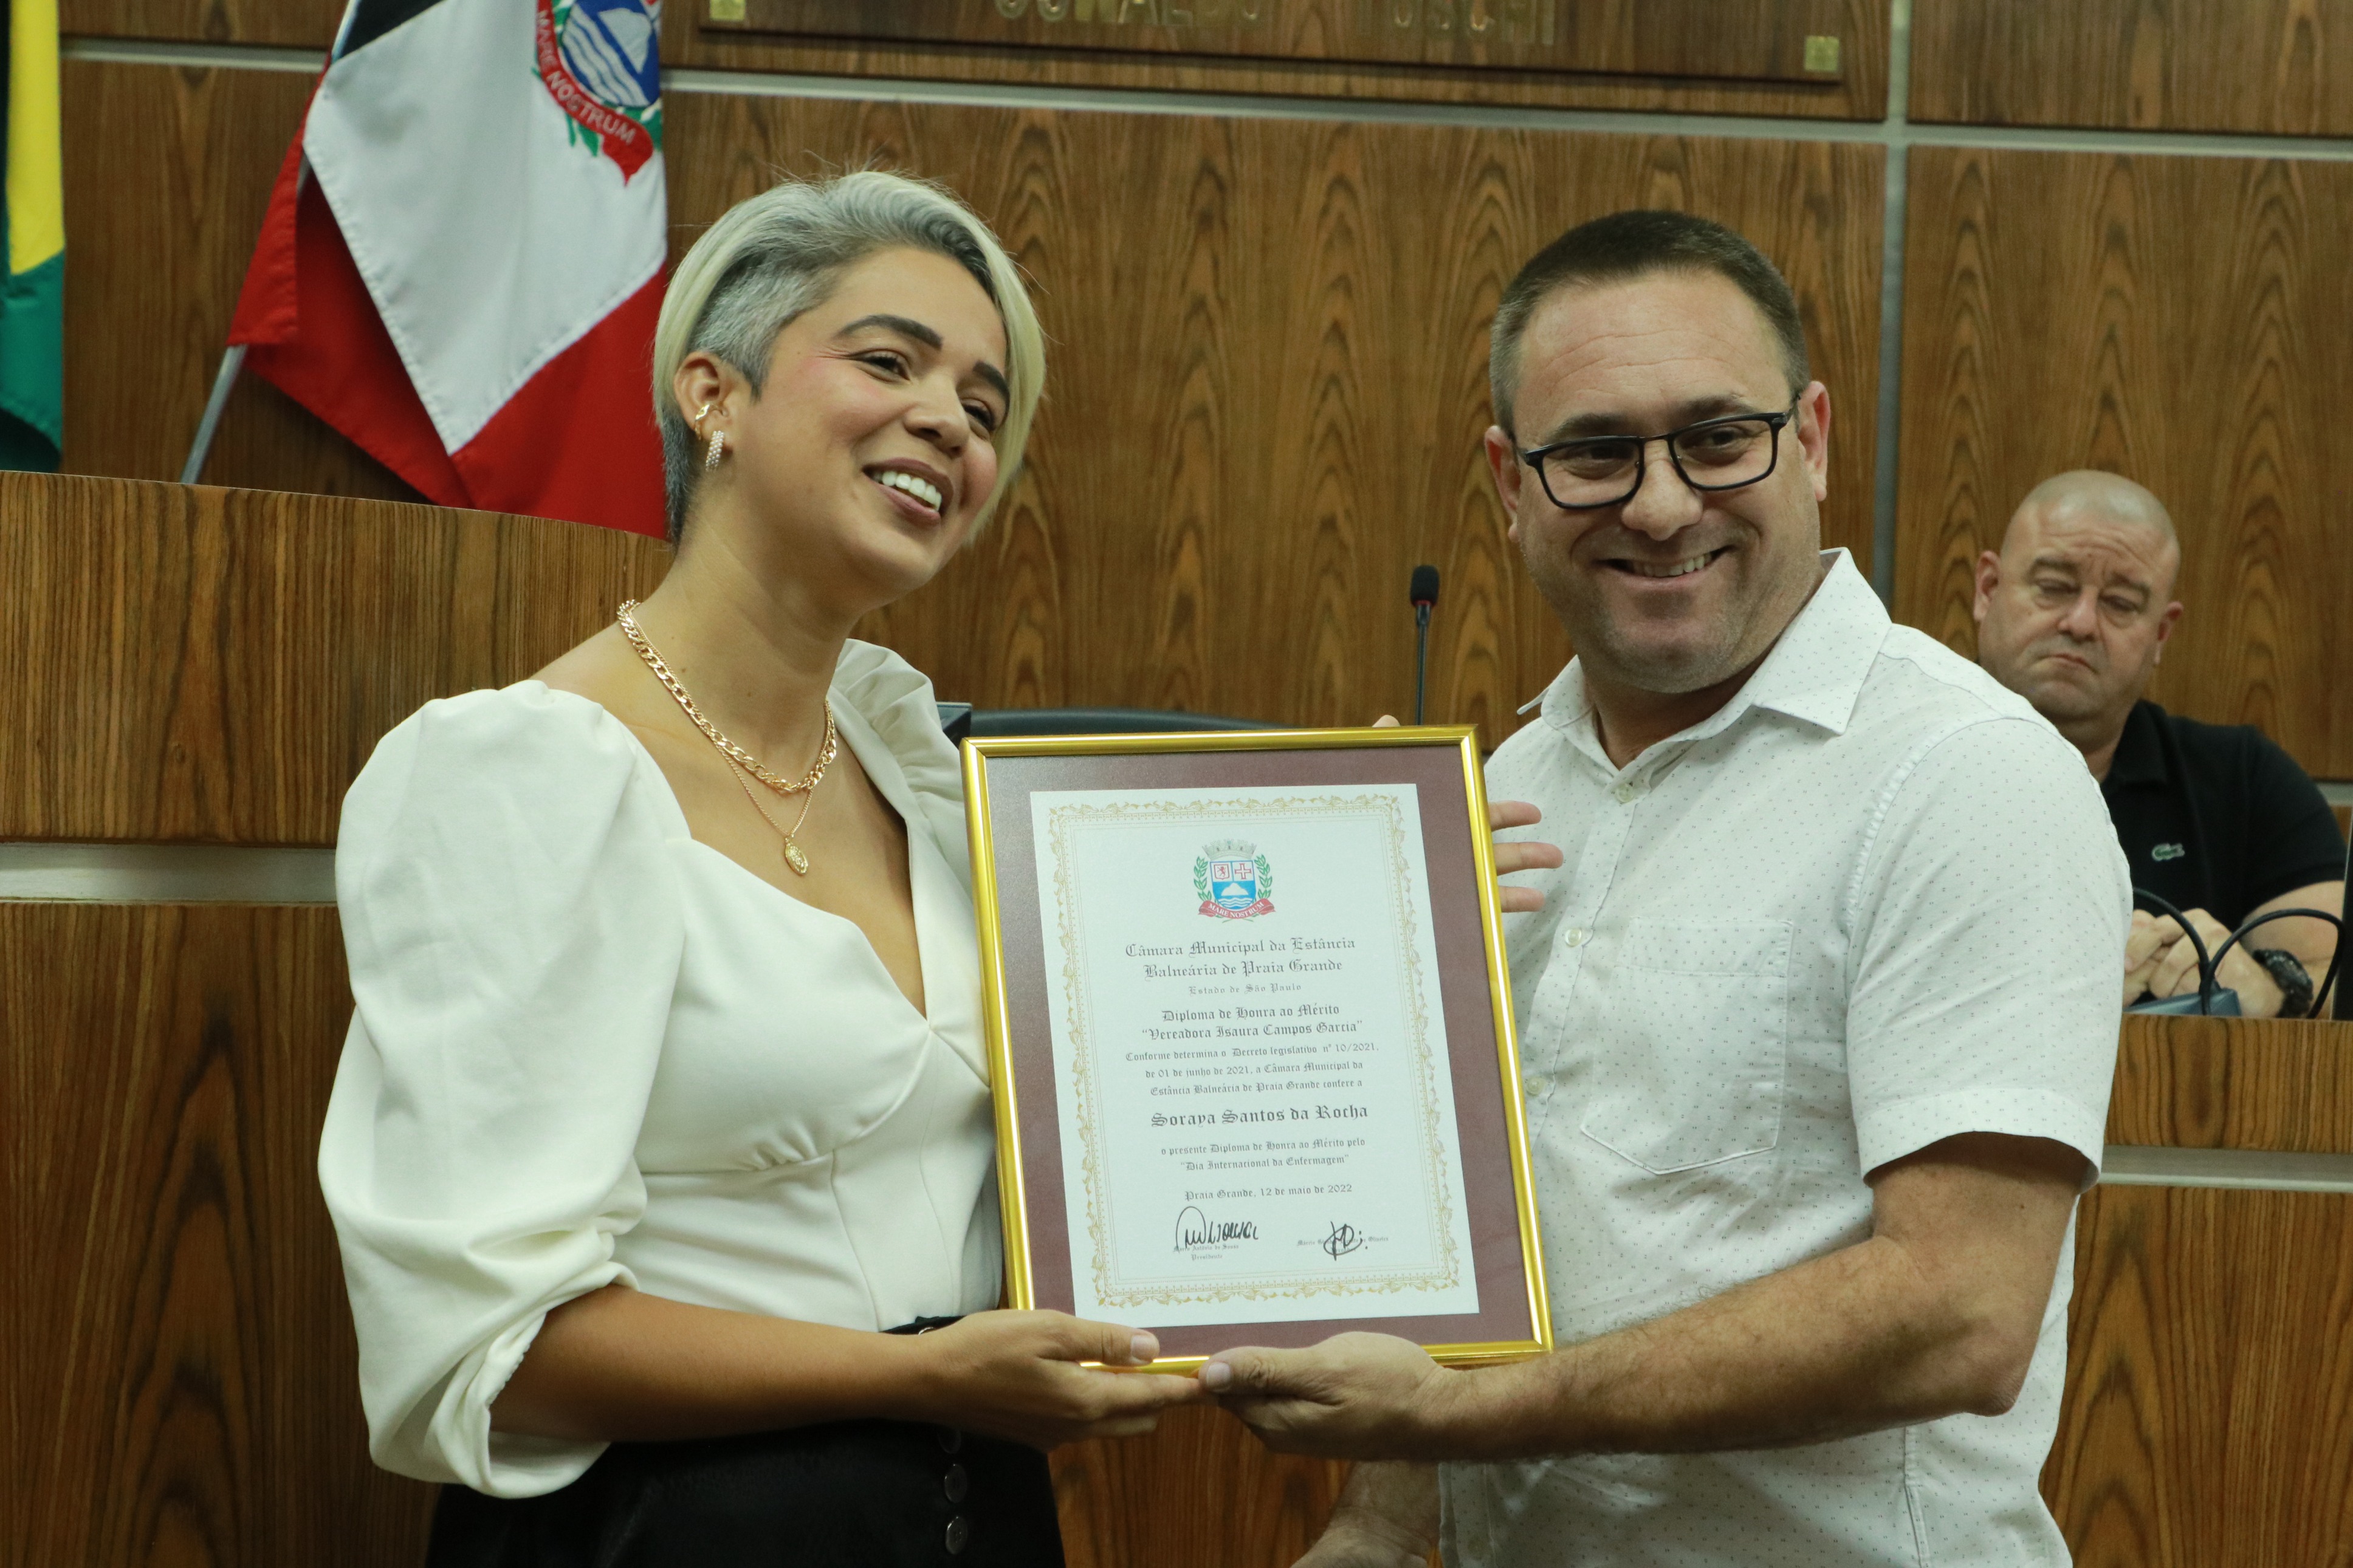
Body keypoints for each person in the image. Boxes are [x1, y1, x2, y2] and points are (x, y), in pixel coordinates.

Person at [1194, 210, 2130, 1567]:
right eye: (1593, 453)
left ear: (1810, 439)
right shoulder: (1508, 784)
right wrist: (1377, 1530)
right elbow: (1484, 1243)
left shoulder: (1966, 778)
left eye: (1715, 437)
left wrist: (1471, 1415)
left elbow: (1961, 1311)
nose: (1659, 503)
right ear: (1510, 482)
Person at [317, 172, 1201, 1566]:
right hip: (674, 1529)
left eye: (982, 408)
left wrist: (1374, 884)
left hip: (982, 1510)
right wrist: (920, 1373)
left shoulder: (920, 768)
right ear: (712, 393)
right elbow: (496, 1348)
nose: (947, 422)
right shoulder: (521, 773)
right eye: (890, 361)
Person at [1972, 470, 2344, 1018]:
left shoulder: (2243, 779)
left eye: (2121, 603)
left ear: (2161, 634)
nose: (2081, 622)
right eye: (2054, 587)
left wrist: (2268, 990)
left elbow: (2334, 976)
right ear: (1987, 589)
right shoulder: (1891, 759)